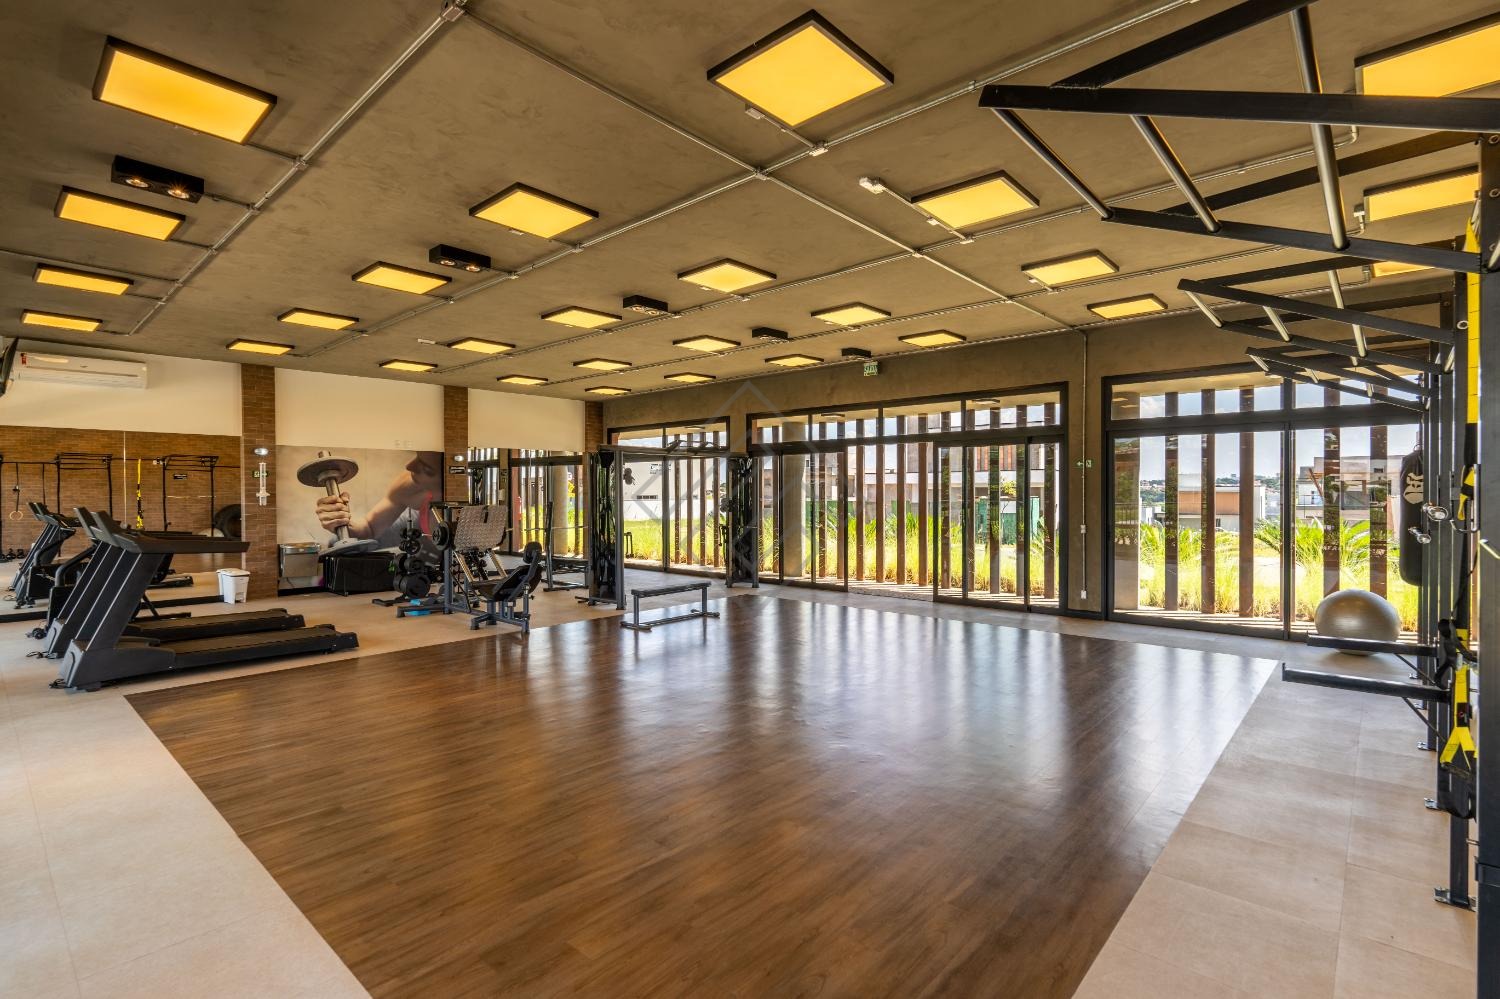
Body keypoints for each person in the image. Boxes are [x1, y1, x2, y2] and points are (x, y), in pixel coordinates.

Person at [315, 451, 443, 550]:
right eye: (418, 456)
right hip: (419, 524)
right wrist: (341, 522)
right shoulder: (410, 485)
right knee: (336, 542)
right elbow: (370, 527)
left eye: (427, 469)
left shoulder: (456, 517)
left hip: (441, 548)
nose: (409, 466)